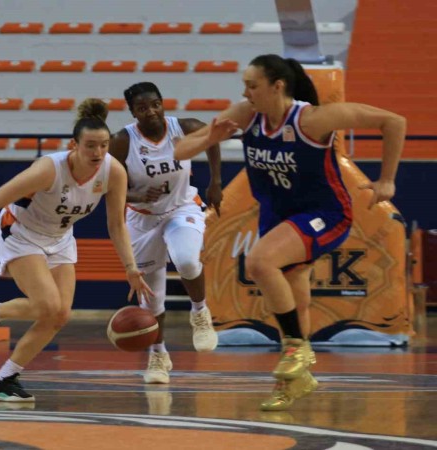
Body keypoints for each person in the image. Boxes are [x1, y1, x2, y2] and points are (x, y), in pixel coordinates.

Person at [173, 54, 405, 410]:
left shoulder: (313, 119)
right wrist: (211, 137)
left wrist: (387, 179)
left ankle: (297, 347)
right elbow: (179, 151)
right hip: (278, 215)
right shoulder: (245, 114)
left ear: (277, 86)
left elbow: (394, 121)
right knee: (295, 295)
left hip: (325, 213)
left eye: (252, 85)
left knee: (260, 262)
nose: (245, 92)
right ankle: (295, 381)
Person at [0, 98, 154, 402]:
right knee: (46, 305)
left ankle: (4, 378)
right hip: (21, 232)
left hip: (59, 237)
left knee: (59, 315)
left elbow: (116, 224)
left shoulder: (113, 172)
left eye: (103, 145)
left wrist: (130, 268)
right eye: (90, 145)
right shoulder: (49, 169)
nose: (98, 152)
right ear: (74, 145)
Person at [109, 82, 222, 385]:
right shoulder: (122, 141)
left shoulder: (184, 127)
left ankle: (199, 313)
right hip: (142, 219)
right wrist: (137, 196)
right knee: (152, 299)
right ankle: (158, 353)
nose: (151, 111)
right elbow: (109, 186)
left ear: (162, 104)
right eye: (142, 108)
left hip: (181, 208)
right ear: (133, 112)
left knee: (186, 260)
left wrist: (215, 182)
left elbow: (213, 138)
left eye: (155, 104)